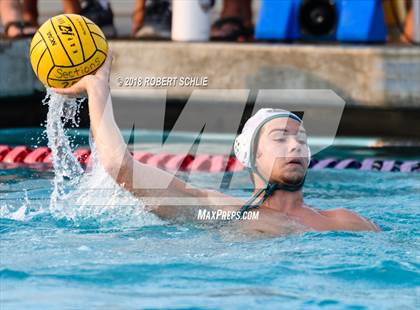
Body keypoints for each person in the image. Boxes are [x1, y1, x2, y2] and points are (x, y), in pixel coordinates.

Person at [52, 50, 379, 235]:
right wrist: (98, 90)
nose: (295, 146)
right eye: (280, 138)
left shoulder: (345, 222)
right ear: (252, 155)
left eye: (302, 140)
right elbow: (120, 167)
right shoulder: (219, 211)